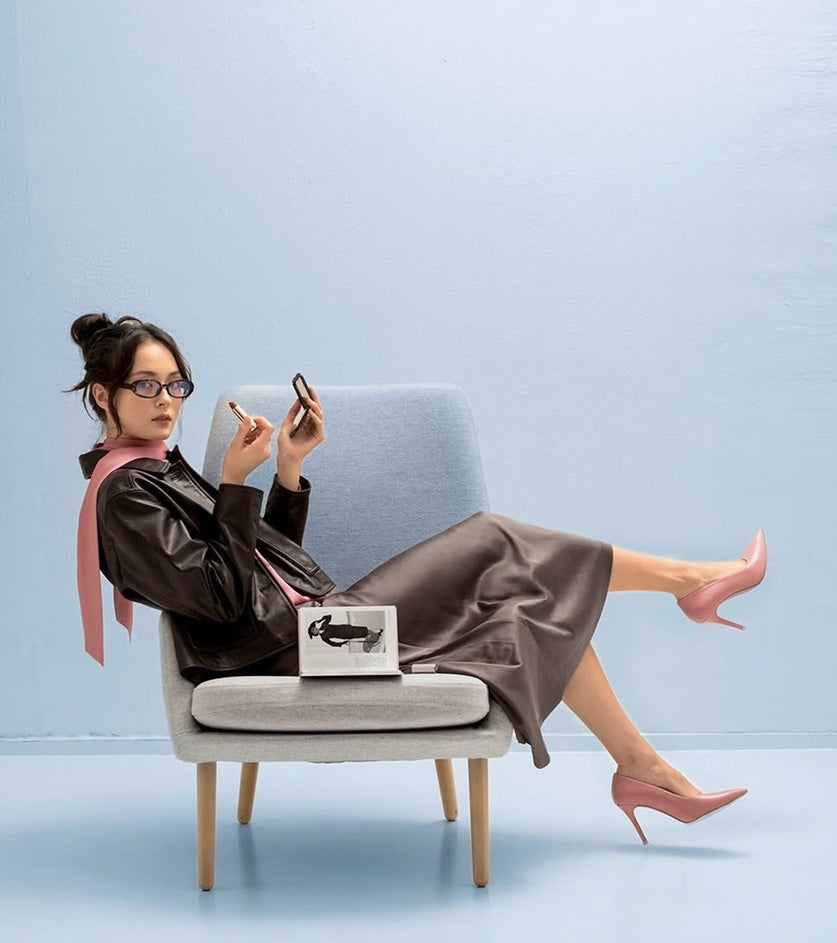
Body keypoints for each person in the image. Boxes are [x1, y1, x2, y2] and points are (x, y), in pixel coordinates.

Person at [68, 313, 766, 844]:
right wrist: (232, 483)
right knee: (490, 537)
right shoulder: (124, 494)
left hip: (310, 624)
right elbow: (221, 600)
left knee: (534, 610)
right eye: (146, 386)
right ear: (104, 395)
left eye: (176, 384)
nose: (167, 400)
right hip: (294, 649)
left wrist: (285, 470)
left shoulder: (157, 468)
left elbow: (260, 568)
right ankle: (687, 581)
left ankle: (642, 770)